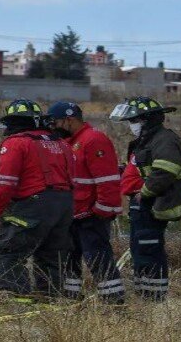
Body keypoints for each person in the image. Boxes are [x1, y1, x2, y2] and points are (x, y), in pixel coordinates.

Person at [0, 99, 75, 297]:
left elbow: (4, 182)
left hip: (35, 204)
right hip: (65, 204)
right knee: (51, 255)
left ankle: (13, 296)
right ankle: (49, 298)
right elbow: (73, 176)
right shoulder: (60, 143)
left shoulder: (15, 143)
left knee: (7, 251)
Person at [110, 96, 181, 301]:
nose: (131, 126)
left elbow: (165, 171)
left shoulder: (165, 140)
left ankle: (154, 297)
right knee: (140, 249)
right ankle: (144, 292)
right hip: (142, 205)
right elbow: (141, 167)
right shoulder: (147, 140)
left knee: (148, 249)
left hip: (153, 203)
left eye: (134, 121)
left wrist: (144, 192)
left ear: (146, 120)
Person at [47, 101, 125, 303]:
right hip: (74, 214)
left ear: (68, 120)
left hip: (91, 215)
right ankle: (71, 298)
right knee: (69, 258)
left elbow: (107, 180)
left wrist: (102, 209)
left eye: (55, 123)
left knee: (97, 258)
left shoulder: (93, 140)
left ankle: (113, 300)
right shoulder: (69, 142)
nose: (53, 127)